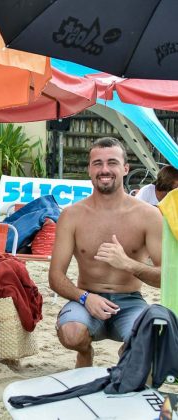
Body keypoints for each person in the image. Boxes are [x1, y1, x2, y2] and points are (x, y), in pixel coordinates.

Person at [49, 137, 162, 368]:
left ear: (125, 168)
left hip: (130, 301)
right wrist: (84, 297)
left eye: (112, 162)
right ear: (89, 170)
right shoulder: (72, 215)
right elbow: (55, 277)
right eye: (97, 163)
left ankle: (128, 353)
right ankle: (84, 352)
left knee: (147, 338)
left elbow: (166, 278)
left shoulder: (149, 216)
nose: (105, 170)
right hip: (86, 299)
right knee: (71, 333)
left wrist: (128, 264)